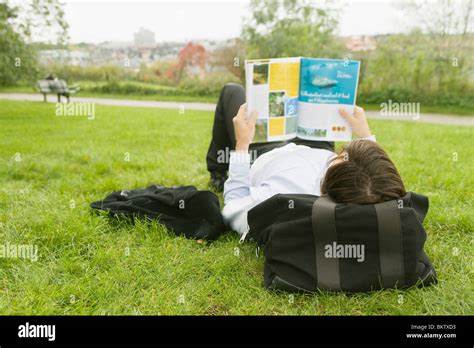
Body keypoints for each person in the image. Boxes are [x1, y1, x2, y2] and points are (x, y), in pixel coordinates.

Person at [205, 83, 406, 236]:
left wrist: (241, 146)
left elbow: (232, 210)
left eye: (342, 156)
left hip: (264, 153)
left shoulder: (279, 201)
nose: (340, 152)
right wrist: (365, 135)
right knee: (315, 91)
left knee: (232, 91)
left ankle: (217, 170)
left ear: (333, 177)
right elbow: (375, 178)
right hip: (315, 147)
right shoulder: (364, 186)